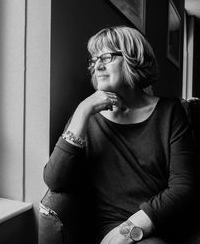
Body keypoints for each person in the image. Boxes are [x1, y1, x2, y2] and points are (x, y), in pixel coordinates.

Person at [43, 26, 198, 244]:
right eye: (93, 60)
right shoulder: (88, 118)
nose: (97, 65)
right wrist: (82, 111)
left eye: (106, 57)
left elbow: (184, 186)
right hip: (110, 228)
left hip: (161, 220)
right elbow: (55, 181)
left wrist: (130, 229)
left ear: (133, 59)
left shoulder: (171, 112)